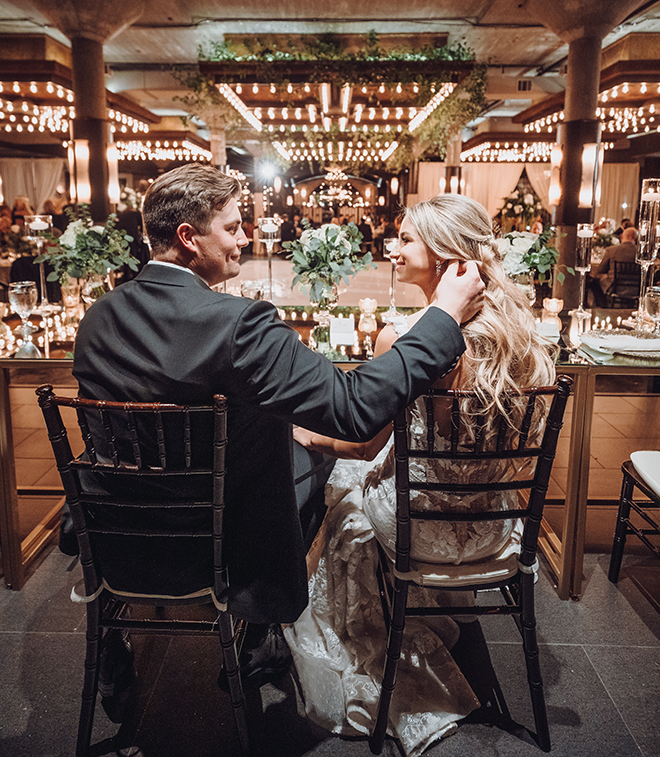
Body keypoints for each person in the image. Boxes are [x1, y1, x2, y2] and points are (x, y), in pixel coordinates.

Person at [71, 166, 484, 685]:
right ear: (187, 238)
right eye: (234, 226)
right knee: (323, 460)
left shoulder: (98, 318)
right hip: (217, 540)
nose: (247, 237)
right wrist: (443, 316)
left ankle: (118, 630)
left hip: (116, 530)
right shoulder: (238, 323)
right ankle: (265, 622)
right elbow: (354, 408)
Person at [286, 194, 555, 755]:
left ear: (445, 255)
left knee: (340, 489)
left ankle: (369, 625)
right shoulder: (524, 339)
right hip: (496, 527)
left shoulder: (405, 338)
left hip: (418, 530)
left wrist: (300, 432)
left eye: (406, 239)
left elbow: (361, 447)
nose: (394, 247)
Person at [597, 225, 638, 295]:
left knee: (594, 282)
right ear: (636, 238)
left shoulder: (611, 250)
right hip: (636, 288)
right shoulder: (640, 252)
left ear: (623, 236)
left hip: (614, 286)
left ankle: (605, 304)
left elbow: (601, 269)